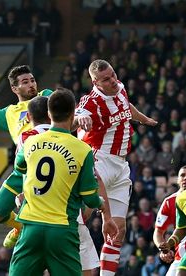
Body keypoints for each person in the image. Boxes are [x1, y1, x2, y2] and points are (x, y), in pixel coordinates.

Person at [0, 65, 92, 248]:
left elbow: (67, 118)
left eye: (32, 80)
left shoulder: (47, 96)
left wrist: (79, 118)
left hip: (54, 165)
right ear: (14, 88)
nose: (31, 85)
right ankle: (19, 226)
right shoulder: (9, 113)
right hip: (24, 170)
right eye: (25, 82)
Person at [9, 88, 116, 275]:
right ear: (73, 113)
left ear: (49, 113)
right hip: (62, 230)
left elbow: (20, 168)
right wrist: (102, 206)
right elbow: (90, 197)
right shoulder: (82, 150)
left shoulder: (30, 141)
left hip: (31, 227)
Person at [75, 59, 157, 275]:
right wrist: (80, 117)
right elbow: (78, 113)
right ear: (95, 82)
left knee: (118, 230)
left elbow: (126, 108)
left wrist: (142, 119)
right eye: (106, 79)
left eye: (113, 74)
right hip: (98, 161)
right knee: (79, 220)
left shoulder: (119, 87)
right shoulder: (91, 101)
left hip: (121, 166)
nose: (112, 80)